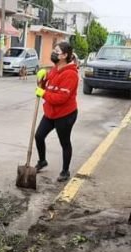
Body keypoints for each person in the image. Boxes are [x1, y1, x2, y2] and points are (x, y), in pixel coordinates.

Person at [34, 42, 79, 182]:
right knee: (39, 136)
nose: (53, 53)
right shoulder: (54, 69)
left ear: (65, 55)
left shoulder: (71, 75)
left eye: (57, 51)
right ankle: (42, 161)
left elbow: (60, 98)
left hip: (65, 114)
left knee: (64, 142)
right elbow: (45, 86)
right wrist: (42, 78)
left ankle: (65, 171)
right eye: (54, 50)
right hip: (50, 112)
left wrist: (43, 94)